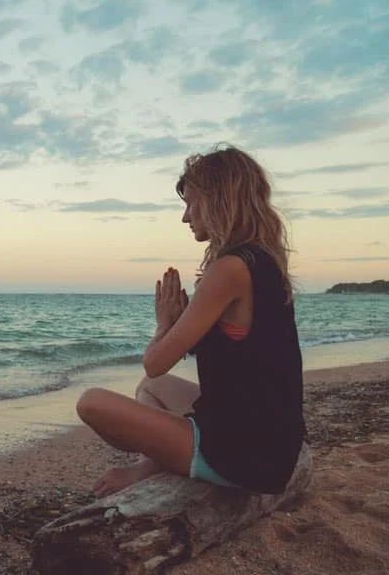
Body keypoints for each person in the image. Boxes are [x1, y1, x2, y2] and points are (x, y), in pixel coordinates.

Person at [76, 144, 306, 497]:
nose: (186, 217)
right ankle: (155, 462)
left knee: (90, 401)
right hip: (270, 441)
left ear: (219, 200)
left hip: (247, 457)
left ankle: (153, 465)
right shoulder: (261, 260)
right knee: (153, 390)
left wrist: (164, 324)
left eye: (191, 203)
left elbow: (155, 362)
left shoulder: (230, 269)